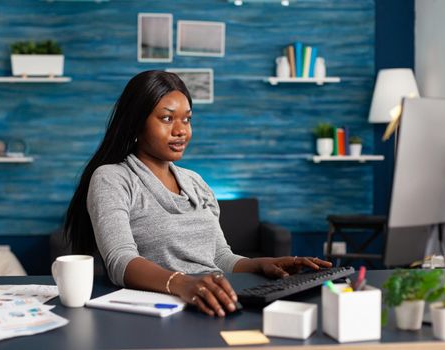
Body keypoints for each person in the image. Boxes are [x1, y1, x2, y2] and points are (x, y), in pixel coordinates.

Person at [64, 70, 332, 317]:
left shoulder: (196, 182)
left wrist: (262, 264)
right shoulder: (113, 178)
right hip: (158, 312)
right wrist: (183, 283)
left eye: (187, 119)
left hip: (212, 301)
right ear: (136, 124)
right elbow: (120, 261)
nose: (181, 131)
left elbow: (219, 257)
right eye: (167, 118)